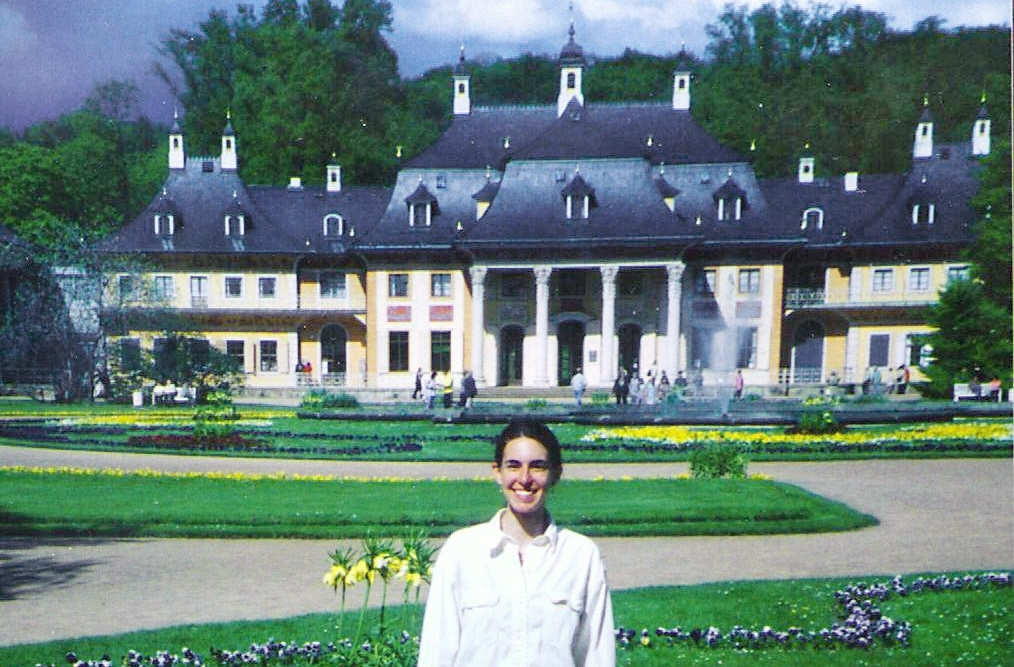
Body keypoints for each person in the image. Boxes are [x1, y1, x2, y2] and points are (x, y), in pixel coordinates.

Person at [418, 418, 616, 667]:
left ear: (555, 474)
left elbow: (597, 657)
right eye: (513, 466)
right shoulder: (462, 551)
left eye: (537, 466)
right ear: (497, 473)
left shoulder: (580, 556)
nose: (524, 478)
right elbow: (436, 653)